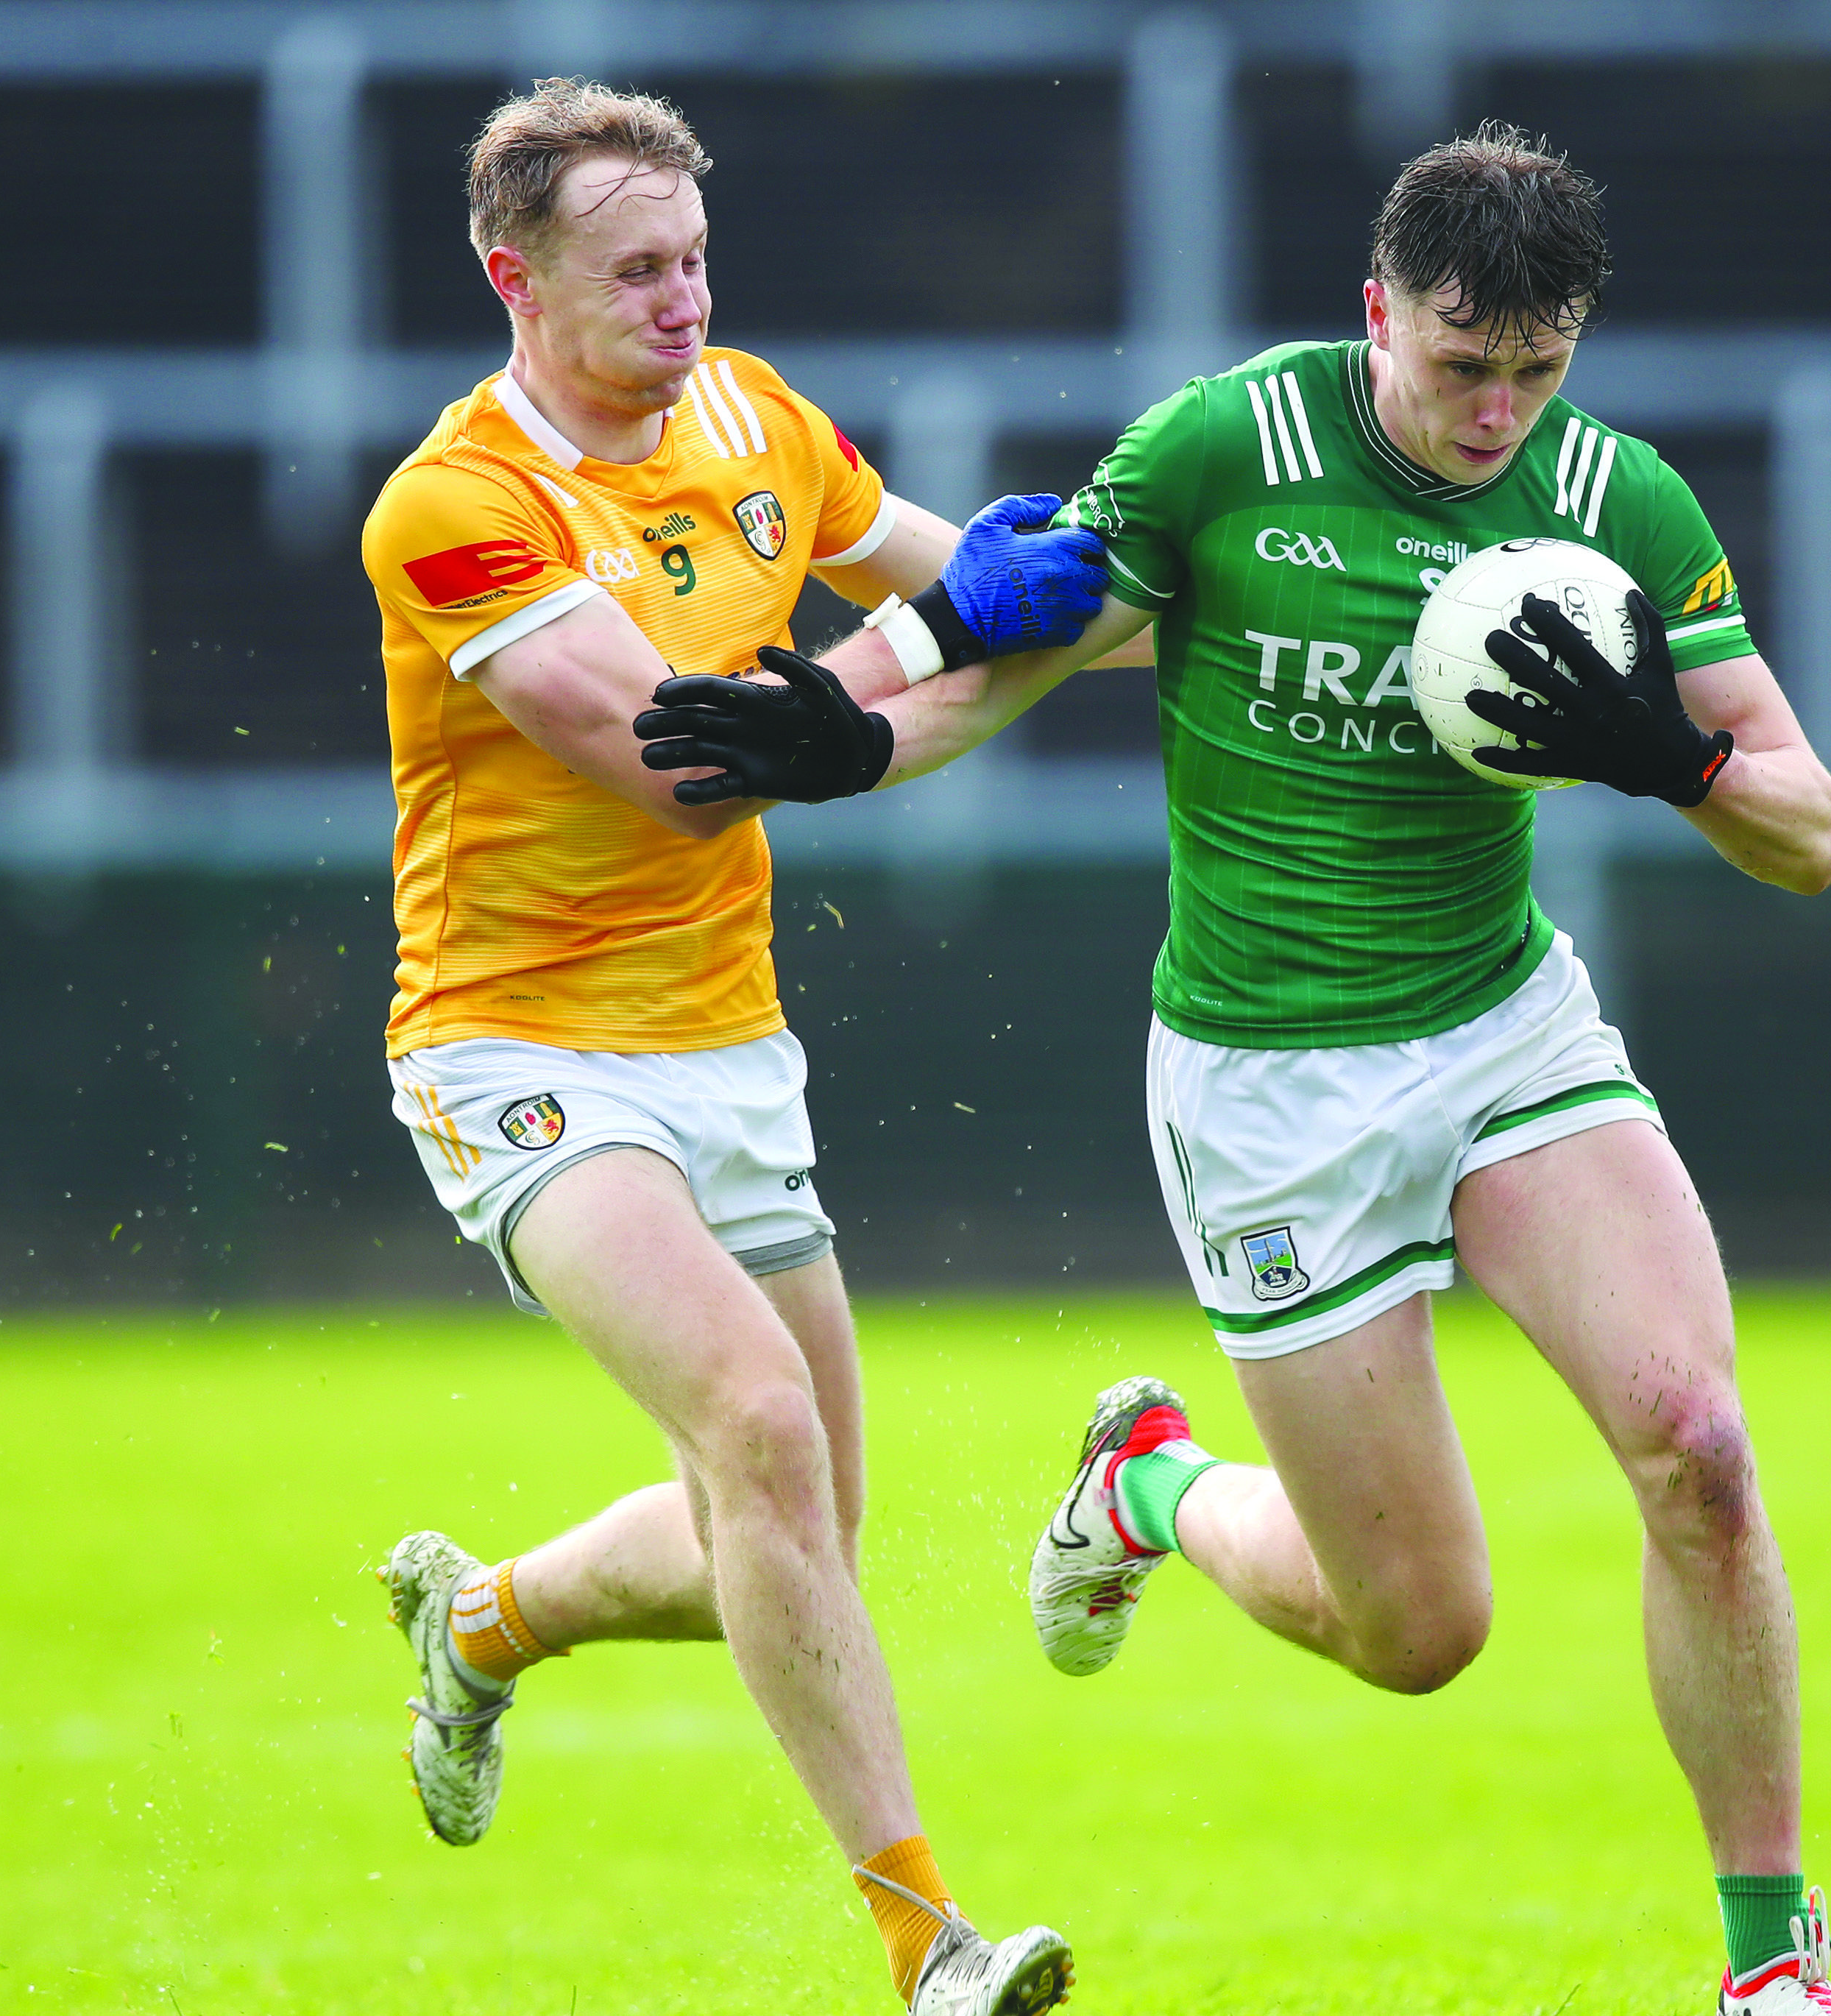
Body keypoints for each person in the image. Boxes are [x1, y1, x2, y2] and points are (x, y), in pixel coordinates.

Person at [633, 124, 1831, 2015]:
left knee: (1697, 1450)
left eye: (1538, 371)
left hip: (1508, 1032)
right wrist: (843, 745)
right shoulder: (1226, 450)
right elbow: (1012, 645)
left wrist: (1675, 762)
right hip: (1272, 1094)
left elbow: (1812, 829)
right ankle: (1153, 1488)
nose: (1496, 414)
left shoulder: (1616, 497)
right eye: (1463, 365)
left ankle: (1772, 1966)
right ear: (1379, 312)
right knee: (1420, 1631)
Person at [358, 78, 1104, 2016]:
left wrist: (1157, 580)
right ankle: (925, 1945)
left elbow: (993, 600)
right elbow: (690, 761)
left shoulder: (761, 417)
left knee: (787, 1539)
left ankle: (489, 1617)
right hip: (514, 1048)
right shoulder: (455, 508)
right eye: (634, 272)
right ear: (511, 277)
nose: (680, 300)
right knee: (757, 1429)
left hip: (724, 1048)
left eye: (694, 259)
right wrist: (949, 645)